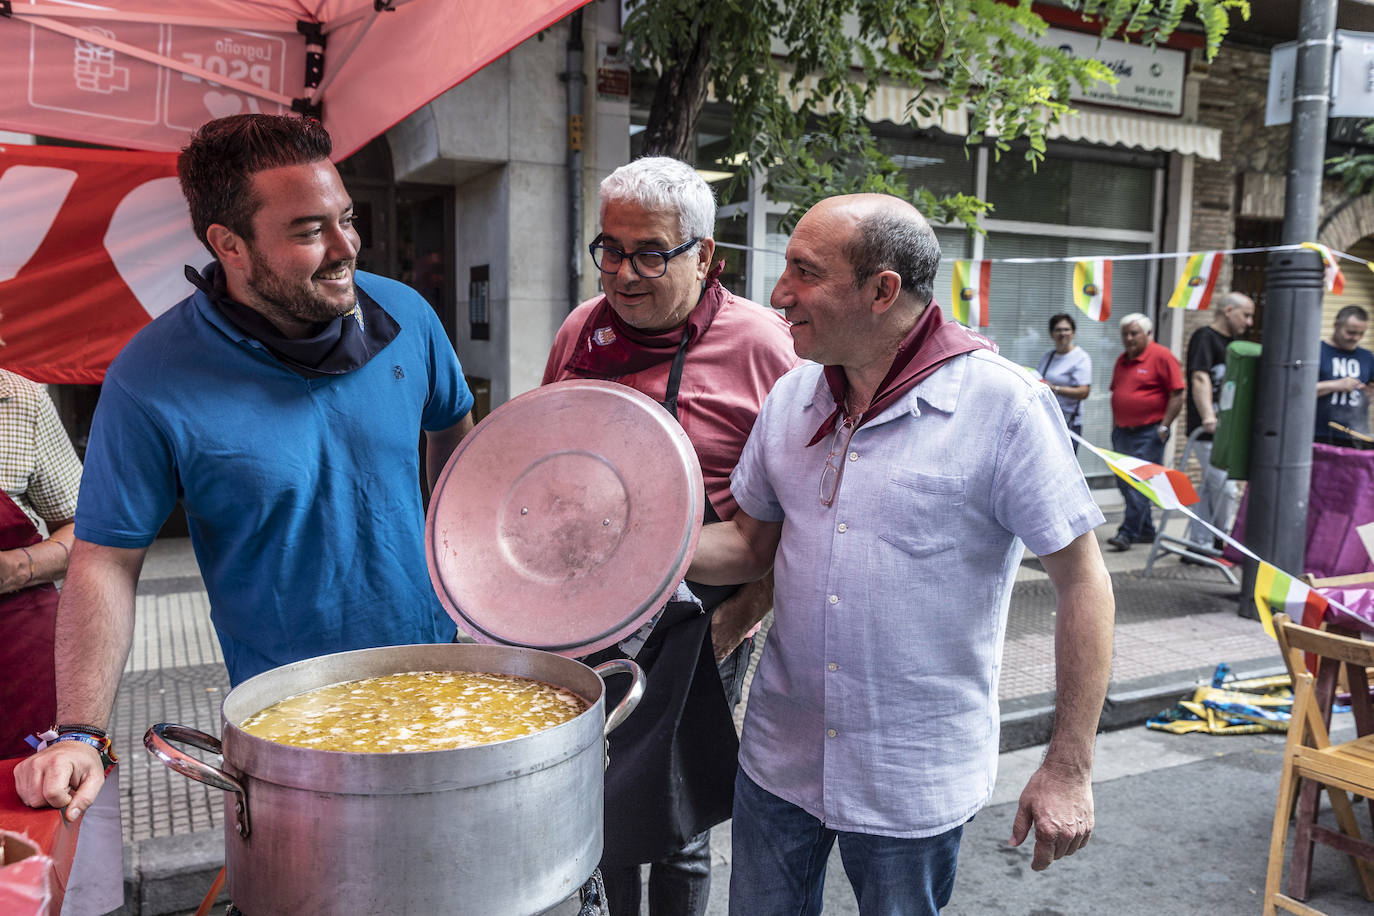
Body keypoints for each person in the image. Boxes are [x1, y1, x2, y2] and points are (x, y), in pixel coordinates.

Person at [16, 114, 475, 828]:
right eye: (307, 231)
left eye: (346, 219)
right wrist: (81, 732)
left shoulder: (408, 316)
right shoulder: (150, 377)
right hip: (287, 715)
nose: (345, 247)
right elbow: (104, 560)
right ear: (228, 245)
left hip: (438, 672)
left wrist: (466, 576)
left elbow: (454, 430)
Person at [687, 194, 1114, 915]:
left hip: (911, 775)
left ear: (882, 290)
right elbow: (748, 546)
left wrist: (1068, 766)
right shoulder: (792, 397)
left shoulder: (1002, 405)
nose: (778, 293)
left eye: (804, 271)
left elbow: (1083, 582)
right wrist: (634, 543)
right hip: (779, 755)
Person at [543, 157, 797, 916]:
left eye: (650, 252)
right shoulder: (579, 333)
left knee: (679, 817)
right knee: (598, 798)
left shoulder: (766, 347)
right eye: (610, 250)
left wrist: (740, 617)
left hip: (703, 616)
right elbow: (542, 459)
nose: (623, 274)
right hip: (587, 615)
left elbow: (803, 517)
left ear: (706, 256)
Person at [0, 366, 120, 916]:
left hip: (16, 657)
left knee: (38, 838)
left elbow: (88, 529)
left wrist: (18, 567)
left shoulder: (16, 400)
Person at [1106, 312, 1184, 552]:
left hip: (1148, 432)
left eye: (1134, 333)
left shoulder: (1161, 356)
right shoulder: (1122, 360)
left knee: (1137, 483)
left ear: (1148, 334)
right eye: (1125, 334)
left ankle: (1127, 532)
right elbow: (1117, 393)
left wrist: (1164, 426)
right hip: (1123, 432)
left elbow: (1178, 393)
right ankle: (1147, 530)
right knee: (1123, 482)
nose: (1128, 338)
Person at [1183, 292, 1254, 549]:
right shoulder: (1205, 337)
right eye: (1246, 315)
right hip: (1209, 429)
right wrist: (1208, 417)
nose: (1249, 323)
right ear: (1228, 310)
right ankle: (1224, 540)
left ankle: (1199, 542)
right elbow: (1199, 377)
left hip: (1228, 430)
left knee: (1210, 487)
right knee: (1225, 487)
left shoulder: (1235, 345)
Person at [1314, 305, 1374, 447]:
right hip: (1318, 434)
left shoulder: (1367, 356)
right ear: (1336, 325)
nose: (1356, 338)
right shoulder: (1316, 352)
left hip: (1356, 435)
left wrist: (1369, 395)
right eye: (1351, 332)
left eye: (1361, 333)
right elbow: (1298, 392)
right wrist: (1335, 385)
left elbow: (1370, 391)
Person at [1037, 312, 1091, 446]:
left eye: (1066, 329)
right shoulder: (1048, 356)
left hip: (1069, 423)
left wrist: (1055, 389)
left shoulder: (1080, 357)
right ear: (1051, 334)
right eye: (1058, 330)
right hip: (1047, 419)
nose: (1062, 333)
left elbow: (1084, 392)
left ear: (1073, 333)